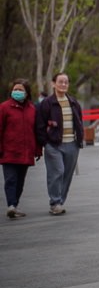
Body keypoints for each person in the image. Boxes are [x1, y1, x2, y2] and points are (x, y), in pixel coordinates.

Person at [34, 72, 84, 215]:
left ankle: (60, 202)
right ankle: (55, 202)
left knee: (67, 174)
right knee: (57, 172)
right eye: (60, 82)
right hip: (54, 145)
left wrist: (79, 140)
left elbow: (79, 122)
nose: (63, 84)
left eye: (66, 82)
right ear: (53, 84)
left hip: (72, 144)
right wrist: (45, 143)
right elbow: (40, 125)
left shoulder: (73, 102)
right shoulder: (47, 103)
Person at [1, 79, 41, 219]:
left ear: (27, 93)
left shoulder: (32, 109)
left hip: (26, 152)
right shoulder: (4, 108)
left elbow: (36, 131)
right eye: (15, 89)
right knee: (10, 179)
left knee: (20, 182)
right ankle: (11, 205)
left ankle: (15, 206)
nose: (17, 92)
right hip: (9, 151)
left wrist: (38, 149)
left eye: (21, 90)